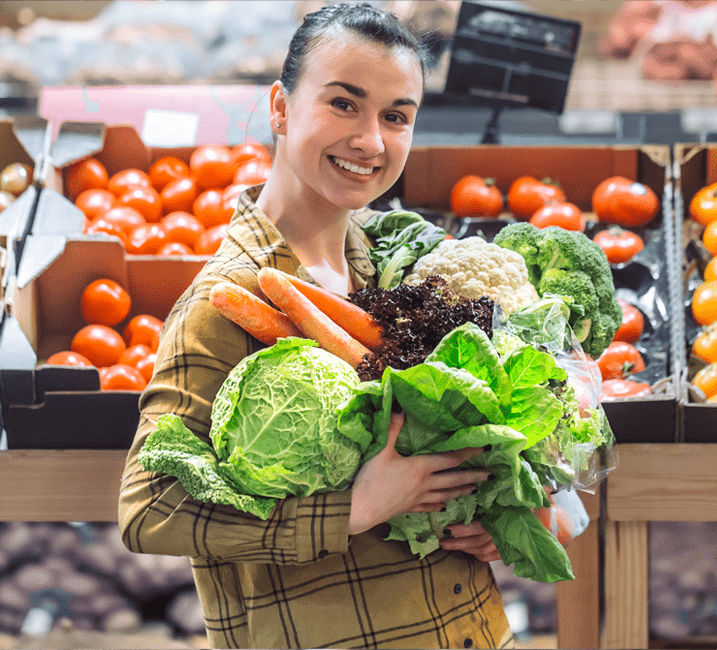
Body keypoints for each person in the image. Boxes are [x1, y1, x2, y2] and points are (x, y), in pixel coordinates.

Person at [118, 3, 514, 648]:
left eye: (396, 116)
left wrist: (494, 514)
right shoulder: (224, 301)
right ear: (280, 107)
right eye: (343, 104)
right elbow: (147, 510)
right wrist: (354, 510)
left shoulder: (393, 265)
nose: (371, 141)